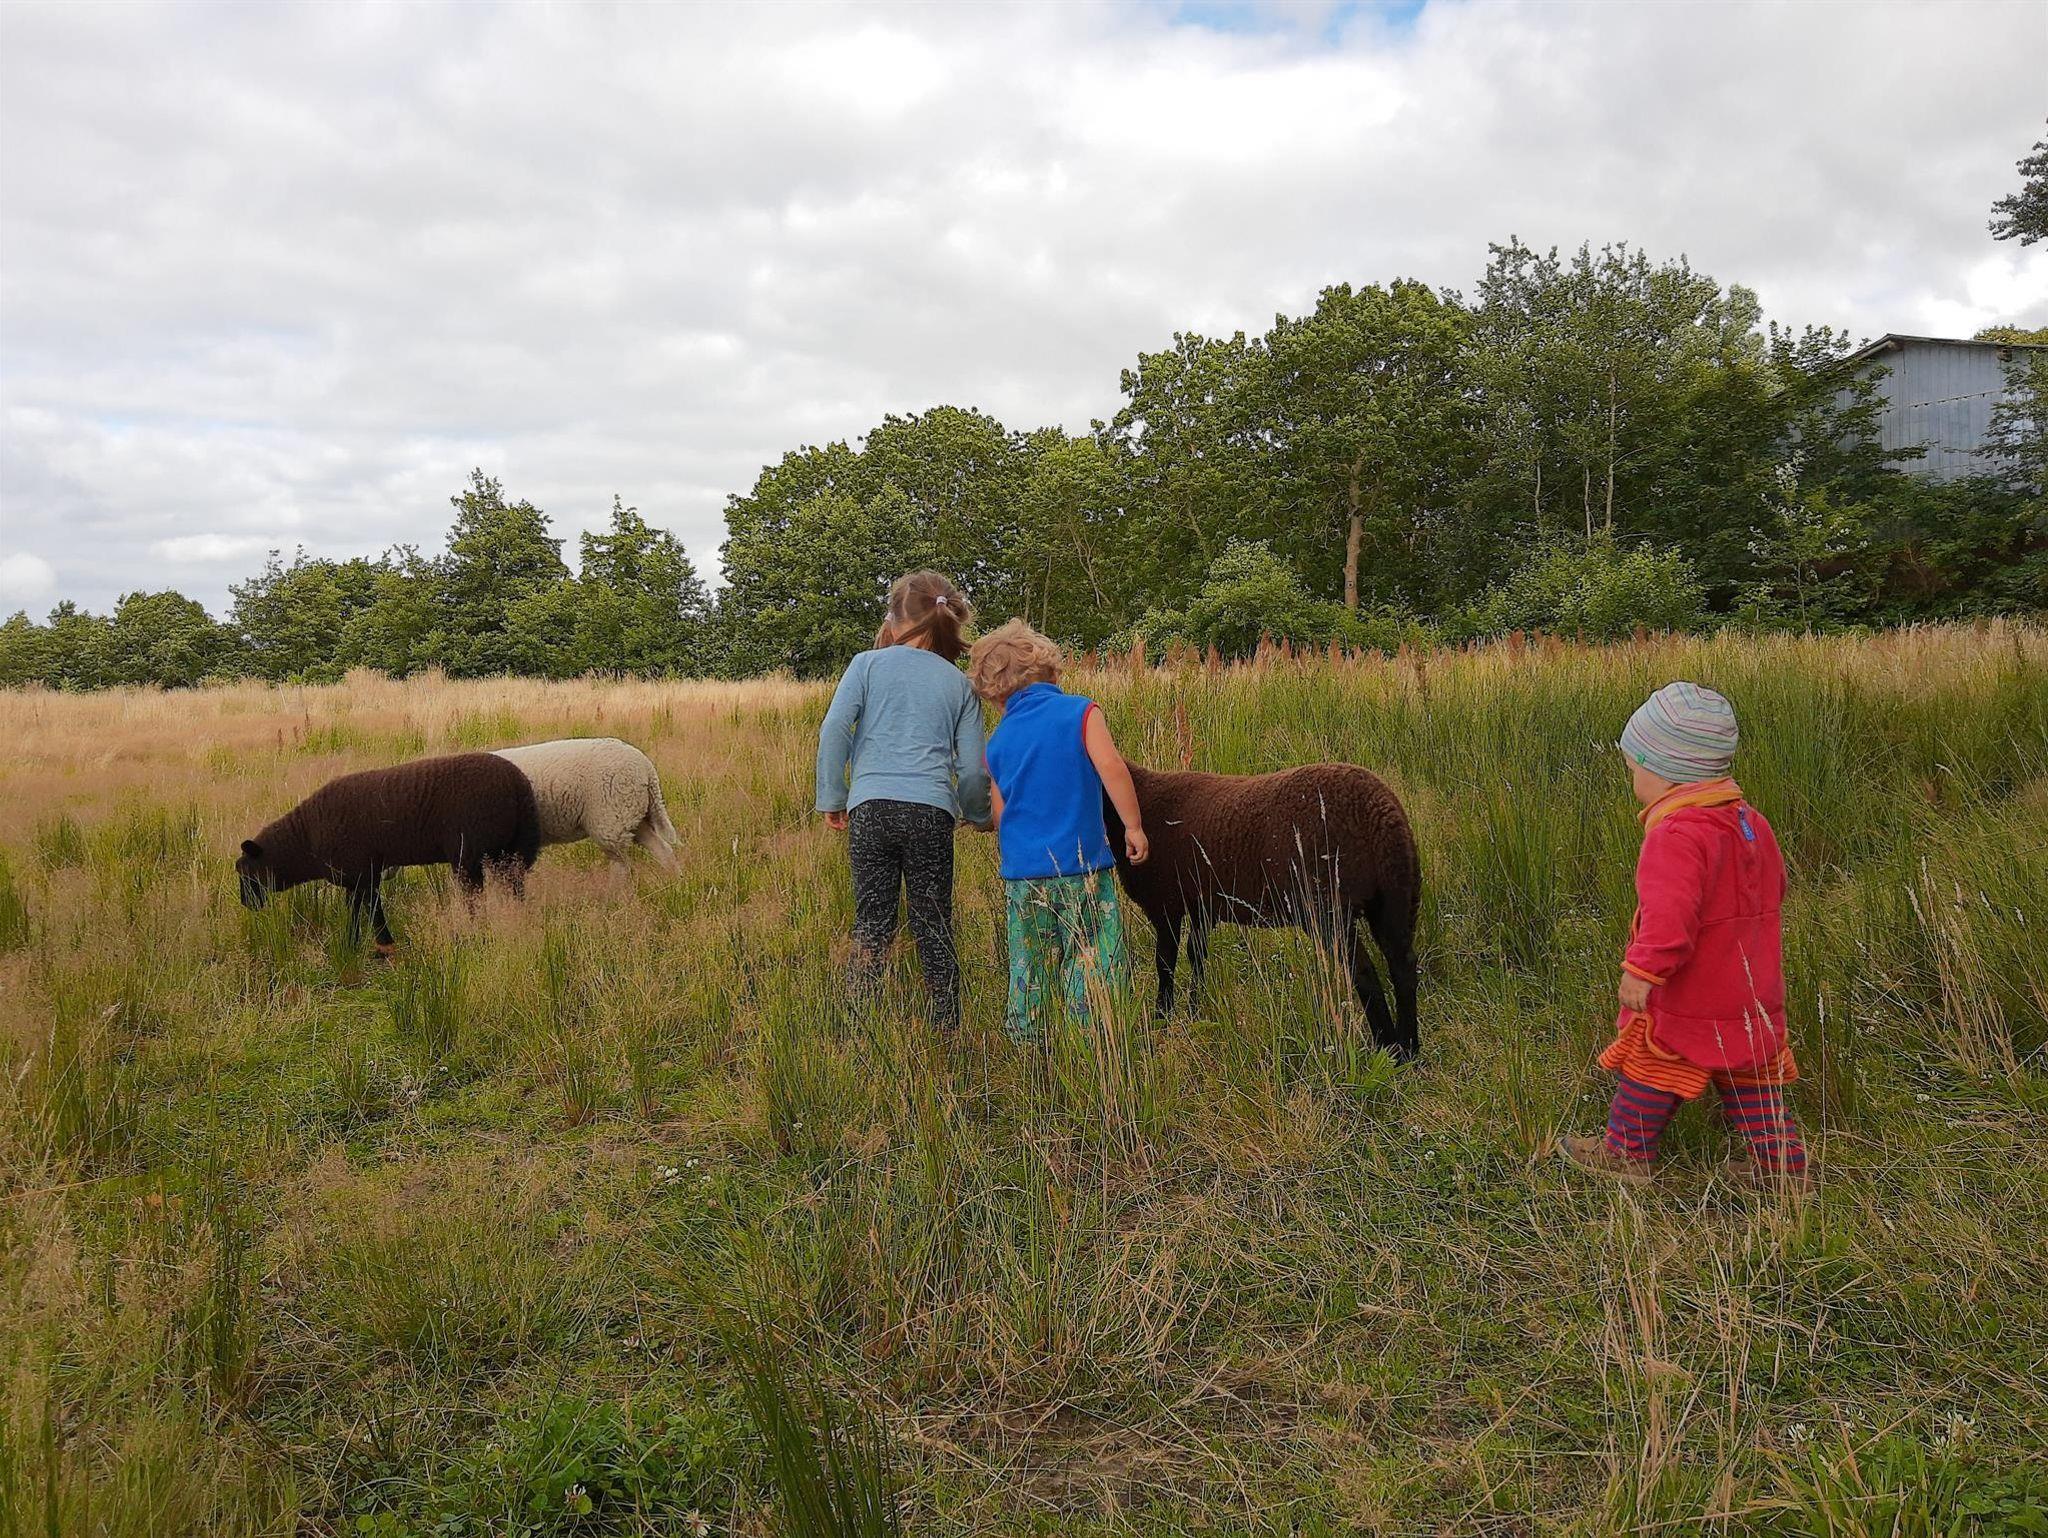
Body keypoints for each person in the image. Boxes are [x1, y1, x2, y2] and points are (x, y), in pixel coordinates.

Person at [1561, 682, 1808, 1191]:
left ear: (1665, 771)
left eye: (1634, 770)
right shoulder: (1751, 822)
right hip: (1752, 987)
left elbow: (1668, 917)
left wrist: (1643, 970)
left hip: (1693, 990)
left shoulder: (1674, 835)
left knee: (1653, 1056)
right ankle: (1781, 1166)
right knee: (1750, 1071)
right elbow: (1776, 888)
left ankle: (1625, 1153)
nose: (1633, 781)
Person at [815, 572, 991, 1031]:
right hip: (931, 813)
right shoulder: (960, 685)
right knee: (934, 925)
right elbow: (973, 769)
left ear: (894, 621)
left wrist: (833, 795)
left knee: (872, 924)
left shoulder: (866, 665)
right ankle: (946, 1030)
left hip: (870, 808)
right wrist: (977, 814)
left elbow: (835, 729)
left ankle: (860, 1028)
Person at [967, 621, 1148, 1043]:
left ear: (994, 694)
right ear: (1049, 670)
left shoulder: (997, 743)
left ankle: (1029, 1040)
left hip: (1023, 876)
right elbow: (1111, 768)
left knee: (1029, 961)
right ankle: (1091, 1036)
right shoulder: (1081, 712)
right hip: (1082, 868)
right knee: (1092, 952)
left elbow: (1000, 816)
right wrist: (1133, 826)